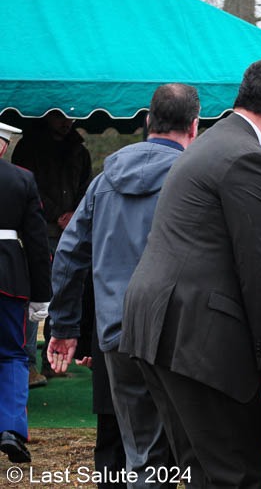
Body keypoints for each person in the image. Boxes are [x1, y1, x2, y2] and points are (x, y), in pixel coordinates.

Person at [120, 60, 261, 488]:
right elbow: (257, 268)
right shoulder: (247, 159)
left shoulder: (210, 143)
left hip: (160, 325)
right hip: (196, 336)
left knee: (201, 467)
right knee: (237, 473)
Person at [47, 83, 201, 487]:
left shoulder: (103, 182)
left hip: (117, 333)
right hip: (175, 334)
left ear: (148, 121)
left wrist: (65, 326)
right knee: (188, 455)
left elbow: (68, 254)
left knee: (141, 455)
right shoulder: (195, 180)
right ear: (194, 126)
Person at [12, 109, 92, 384]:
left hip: (70, 233)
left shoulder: (80, 152)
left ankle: (53, 361)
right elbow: (26, 187)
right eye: (59, 116)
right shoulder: (28, 148)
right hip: (37, 233)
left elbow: (86, 188)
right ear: (46, 116)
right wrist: (58, 213)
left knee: (66, 294)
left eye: (69, 117)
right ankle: (28, 365)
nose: (66, 122)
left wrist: (75, 214)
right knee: (33, 297)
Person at [0, 122, 51, 463]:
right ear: (4, 146)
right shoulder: (21, 179)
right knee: (13, 355)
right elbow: (36, 243)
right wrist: (41, 295)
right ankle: (11, 429)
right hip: (9, 279)